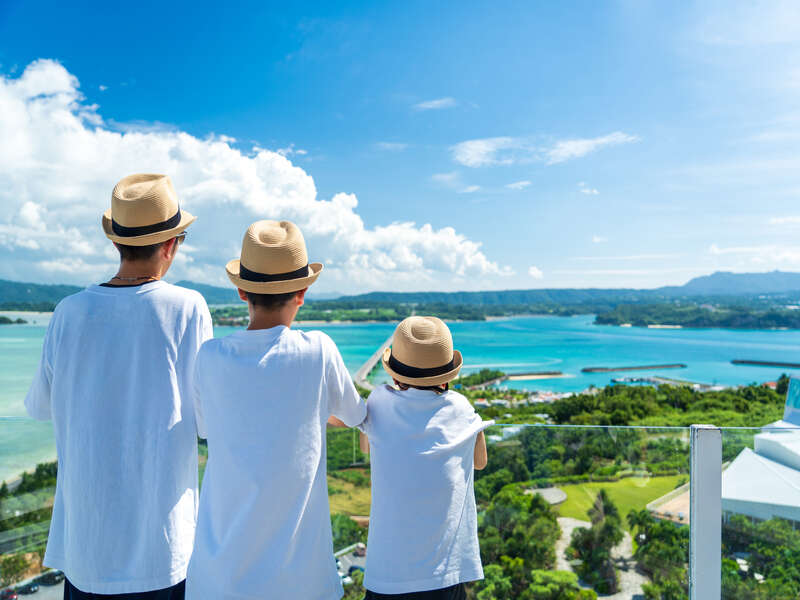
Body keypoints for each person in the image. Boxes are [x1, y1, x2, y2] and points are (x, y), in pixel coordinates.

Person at [24, 174, 212, 599]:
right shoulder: (188, 308)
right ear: (170, 245)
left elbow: (40, 406)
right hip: (163, 551)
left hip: (86, 552)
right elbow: (207, 420)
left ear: (116, 242)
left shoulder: (68, 312)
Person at [186, 220, 366, 599]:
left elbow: (206, 428)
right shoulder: (319, 350)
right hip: (302, 583)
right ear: (302, 292)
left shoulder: (210, 357)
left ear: (241, 291)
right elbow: (355, 416)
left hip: (218, 580)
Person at [358, 316, 492, 600]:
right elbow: (480, 462)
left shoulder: (380, 402)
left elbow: (365, 449)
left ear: (395, 373)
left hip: (387, 576)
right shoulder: (460, 407)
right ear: (447, 375)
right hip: (446, 574)